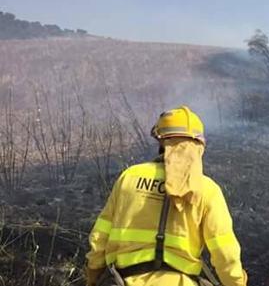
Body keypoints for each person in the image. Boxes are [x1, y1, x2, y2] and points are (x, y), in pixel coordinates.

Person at [85, 106, 247, 286]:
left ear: (161, 141)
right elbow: (225, 253)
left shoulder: (129, 177)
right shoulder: (207, 189)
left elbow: (100, 237)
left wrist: (93, 276)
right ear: (199, 145)